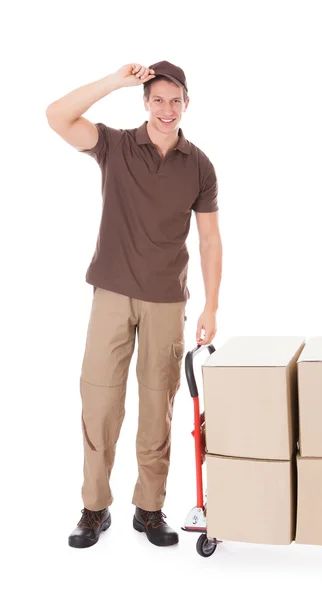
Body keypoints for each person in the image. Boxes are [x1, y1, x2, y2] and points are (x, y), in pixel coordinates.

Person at [46, 61, 223, 549]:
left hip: (168, 300)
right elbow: (57, 117)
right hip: (112, 293)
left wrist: (210, 307)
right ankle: (94, 508)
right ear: (145, 102)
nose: (167, 109)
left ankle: (149, 509)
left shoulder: (199, 165)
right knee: (99, 401)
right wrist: (114, 81)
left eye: (175, 100)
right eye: (157, 99)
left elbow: (210, 240)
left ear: (187, 103)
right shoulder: (116, 146)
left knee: (156, 408)